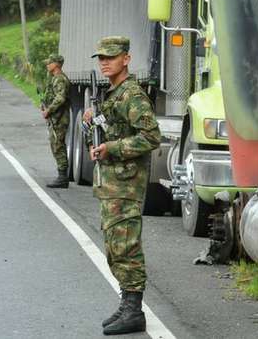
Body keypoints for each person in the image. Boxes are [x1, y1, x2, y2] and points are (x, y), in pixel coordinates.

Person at [83, 36, 160, 336]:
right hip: (112, 184)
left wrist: (112, 148)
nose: (104, 62)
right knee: (115, 247)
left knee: (126, 245)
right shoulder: (112, 94)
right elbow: (110, 130)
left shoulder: (132, 95)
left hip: (126, 185)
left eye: (111, 57)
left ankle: (134, 310)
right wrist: (94, 126)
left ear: (126, 59)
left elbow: (151, 137)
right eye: (101, 57)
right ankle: (127, 303)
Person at [42, 54, 71, 188]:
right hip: (56, 117)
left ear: (57, 64)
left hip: (59, 118)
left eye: (50, 62)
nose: (47, 64)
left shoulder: (59, 79)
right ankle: (62, 176)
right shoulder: (54, 78)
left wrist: (49, 110)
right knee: (56, 145)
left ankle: (62, 177)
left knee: (58, 146)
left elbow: (60, 98)